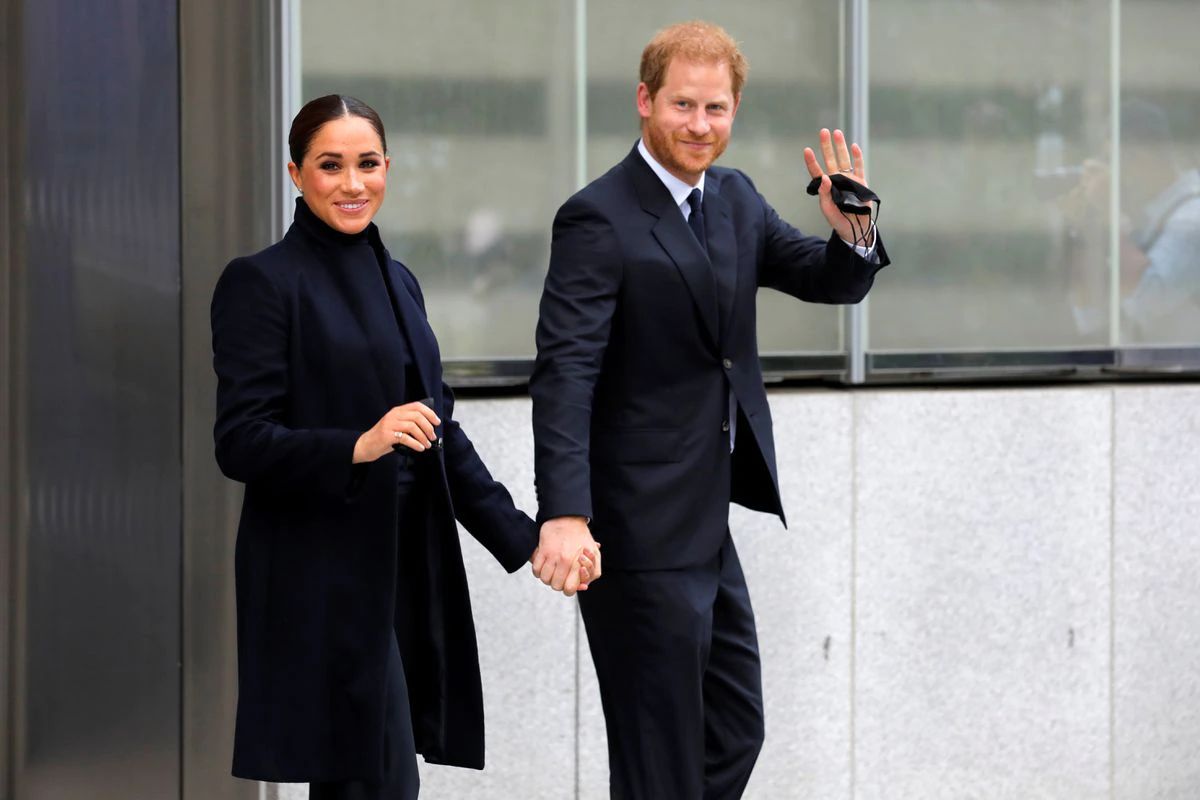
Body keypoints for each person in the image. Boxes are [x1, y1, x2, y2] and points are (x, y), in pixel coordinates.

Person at [528, 21, 889, 798]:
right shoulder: (598, 218)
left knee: (733, 726)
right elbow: (565, 373)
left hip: (704, 518)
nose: (700, 125)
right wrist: (565, 512)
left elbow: (829, 279)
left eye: (716, 108)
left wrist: (854, 229)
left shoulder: (734, 199)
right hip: (630, 530)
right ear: (645, 101)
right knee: (659, 755)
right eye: (683, 105)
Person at [210, 94, 595, 800]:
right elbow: (240, 442)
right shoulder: (262, 283)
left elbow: (437, 430)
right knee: (381, 780)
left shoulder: (399, 280)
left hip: (404, 563)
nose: (353, 183)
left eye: (367, 164)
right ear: (296, 173)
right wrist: (359, 444)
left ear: (388, 167)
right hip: (320, 573)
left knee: (366, 780)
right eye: (330, 166)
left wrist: (527, 537)